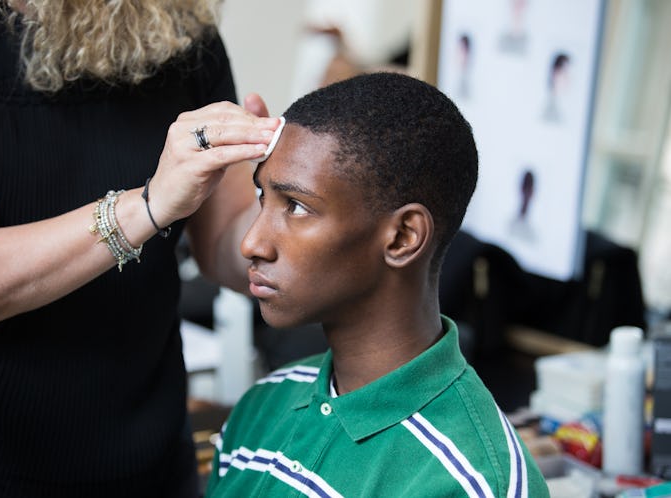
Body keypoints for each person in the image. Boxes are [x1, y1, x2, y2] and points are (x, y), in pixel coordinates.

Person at [0, 1, 280, 497]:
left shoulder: (183, 35)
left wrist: (284, 210)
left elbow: (224, 244)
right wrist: (148, 206)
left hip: (149, 446)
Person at [206, 72, 549, 497]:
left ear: (403, 237)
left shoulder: (471, 483)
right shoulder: (262, 405)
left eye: (296, 207)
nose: (251, 242)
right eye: (263, 199)